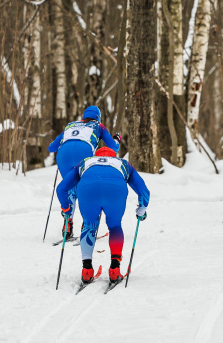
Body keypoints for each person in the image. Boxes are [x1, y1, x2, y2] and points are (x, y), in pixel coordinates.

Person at [55, 146, 150, 283]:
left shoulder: (85, 162)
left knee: (89, 226)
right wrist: (141, 209)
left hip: (88, 189)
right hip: (115, 190)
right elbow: (144, 191)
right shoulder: (123, 163)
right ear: (114, 155)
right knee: (115, 226)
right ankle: (114, 269)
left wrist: (66, 208)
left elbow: (61, 189)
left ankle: (87, 270)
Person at [47, 106, 121, 240]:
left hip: (63, 156)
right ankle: (87, 226)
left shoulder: (70, 125)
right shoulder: (99, 126)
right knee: (87, 189)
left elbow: (51, 148)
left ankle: (67, 224)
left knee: (70, 188)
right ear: (97, 117)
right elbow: (113, 147)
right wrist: (117, 139)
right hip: (83, 153)